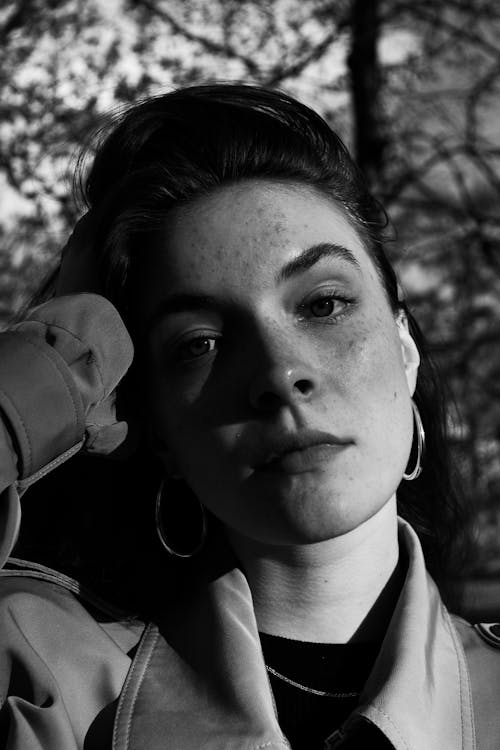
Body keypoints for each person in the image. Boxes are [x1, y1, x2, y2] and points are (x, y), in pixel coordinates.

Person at [0, 83, 499, 750]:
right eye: (200, 344)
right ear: (150, 423)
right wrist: (57, 360)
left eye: (323, 304)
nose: (277, 373)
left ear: (404, 350)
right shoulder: (34, 681)